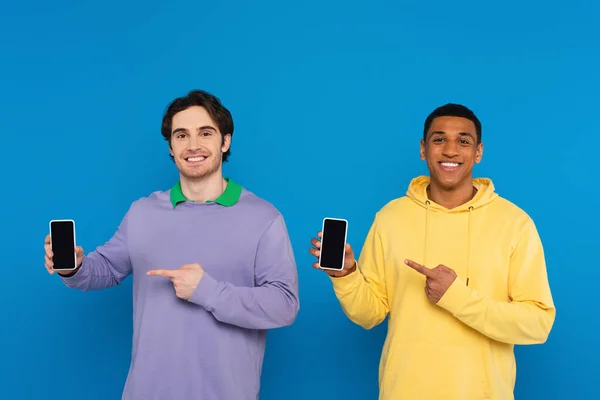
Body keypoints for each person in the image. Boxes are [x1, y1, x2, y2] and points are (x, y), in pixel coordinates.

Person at [44, 89, 300, 400]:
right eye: (181, 135)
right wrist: (74, 267)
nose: (193, 145)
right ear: (170, 146)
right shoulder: (143, 212)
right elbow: (106, 269)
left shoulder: (263, 218)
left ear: (225, 141)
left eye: (205, 133)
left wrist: (207, 290)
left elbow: (284, 305)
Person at [309, 103, 555, 400]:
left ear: (478, 152)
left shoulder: (515, 223)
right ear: (423, 149)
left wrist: (456, 297)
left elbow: (537, 324)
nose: (450, 150)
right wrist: (347, 276)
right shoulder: (391, 217)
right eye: (439, 140)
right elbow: (369, 314)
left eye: (463, 141)